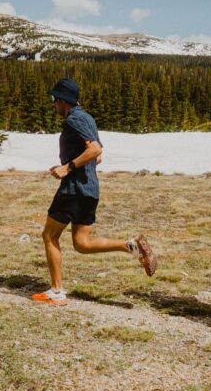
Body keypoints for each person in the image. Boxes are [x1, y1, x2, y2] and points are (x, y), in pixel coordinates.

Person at [31, 78, 156, 306]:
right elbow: (97, 156)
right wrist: (74, 164)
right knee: (82, 243)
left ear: (62, 100)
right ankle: (130, 245)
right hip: (90, 189)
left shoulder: (74, 119)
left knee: (49, 236)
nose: (53, 104)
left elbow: (95, 150)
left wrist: (68, 167)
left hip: (73, 189)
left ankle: (56, 292)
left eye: (54, 99)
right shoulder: (87, 117)